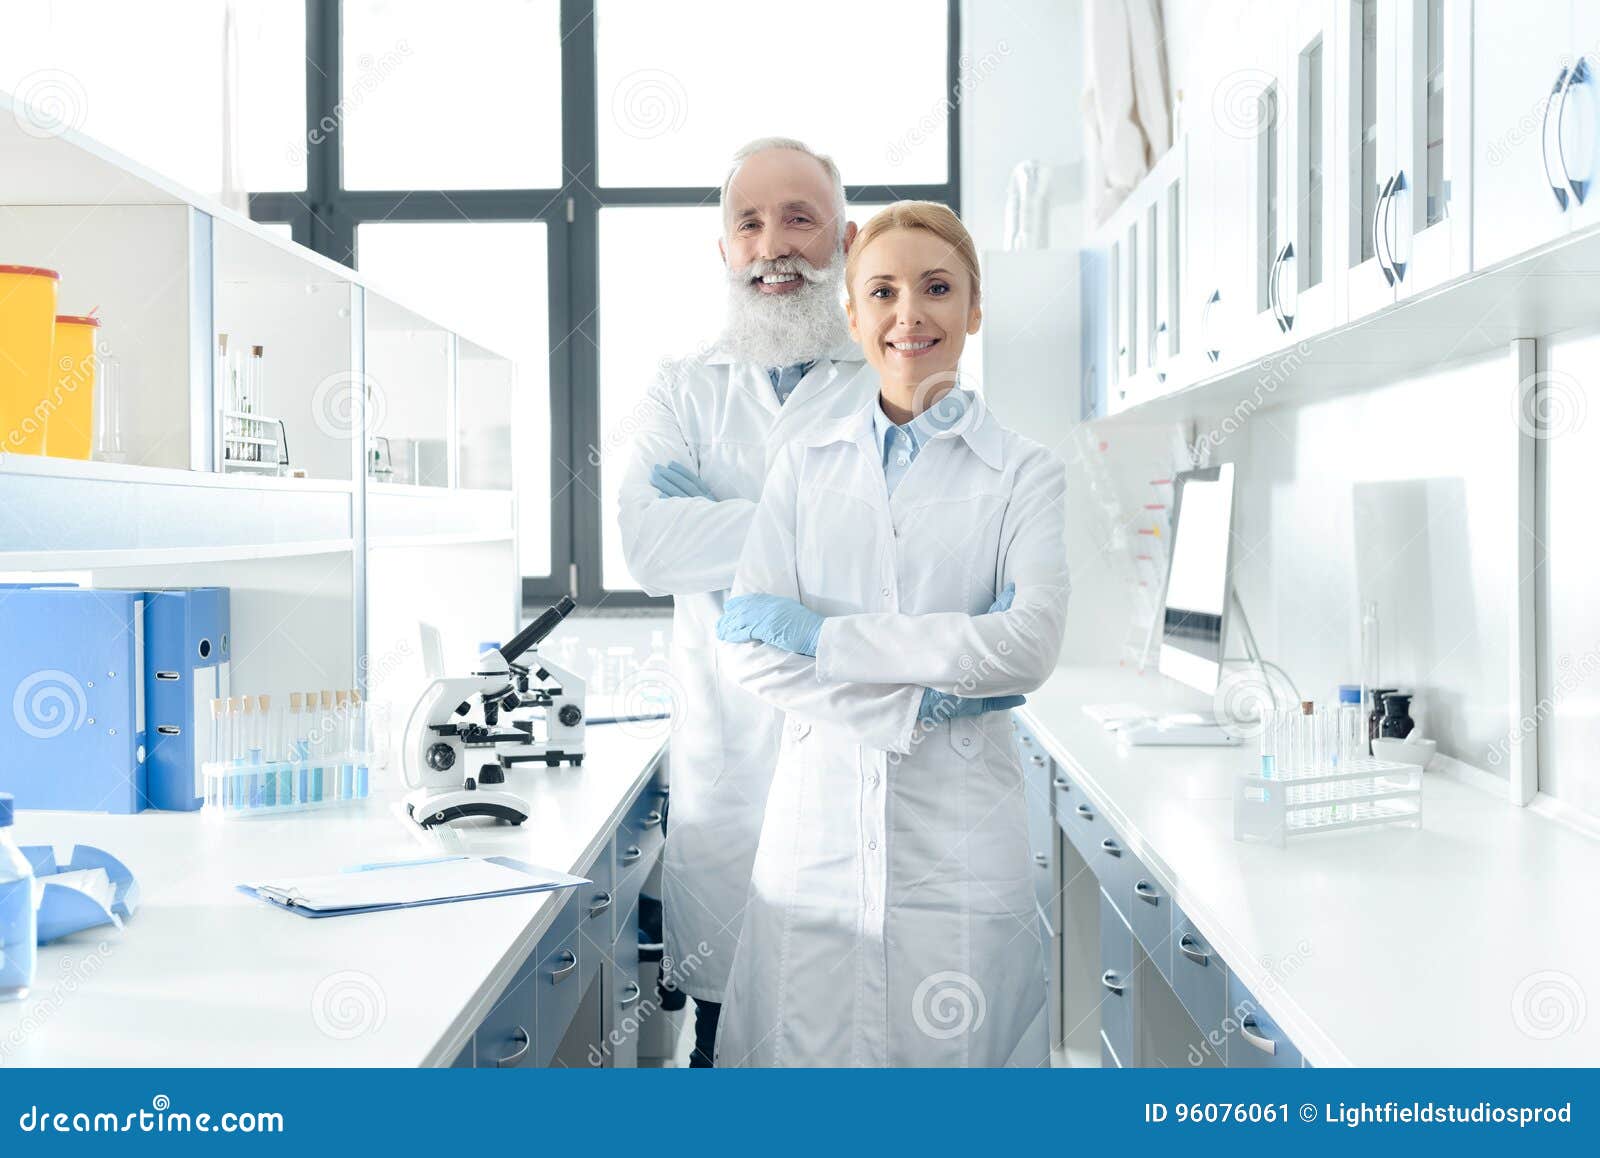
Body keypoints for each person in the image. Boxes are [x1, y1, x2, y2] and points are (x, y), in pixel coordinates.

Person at [713, 201, 1071, 1067]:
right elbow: (750, 651)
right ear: (853, 315)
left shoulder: (1026, 473)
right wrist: (921, 696)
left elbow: (1028, 646)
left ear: (974, 310)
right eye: (882, 292)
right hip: (816, 849)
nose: (910, 314)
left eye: (937, 288)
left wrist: (821, 639)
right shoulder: (803, 467)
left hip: (959, 851)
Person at [616, 138, 880, 1067]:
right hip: (729, 771)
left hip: (857, 772)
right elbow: (651, 548)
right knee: (723, 1045)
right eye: (750, 223)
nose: (774, 246)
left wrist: (722, 522)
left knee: (850, 1050)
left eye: (800, 219)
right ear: (723, 249)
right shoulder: (682, 385)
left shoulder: (894, 373)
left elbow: (902, 552)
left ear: (845, 240)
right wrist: (824, 520)